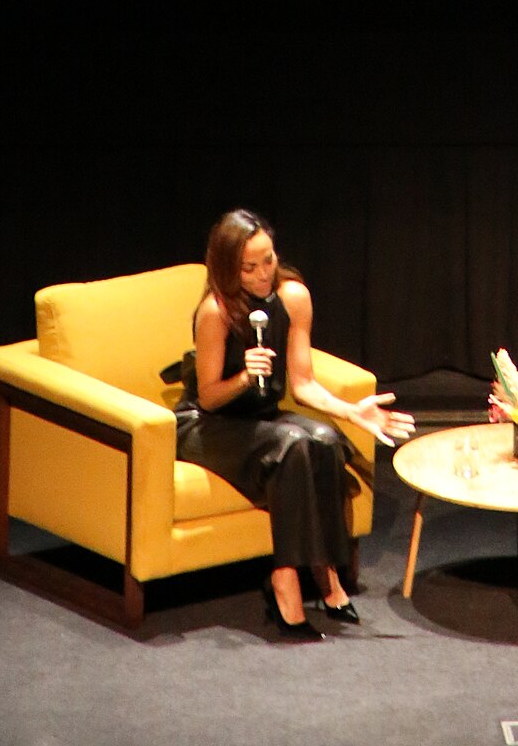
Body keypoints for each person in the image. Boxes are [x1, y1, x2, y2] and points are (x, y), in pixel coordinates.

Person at [172, 208, 415, 641]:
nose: (263, 273)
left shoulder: (294, 297)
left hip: (260, 419)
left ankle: (325, 575)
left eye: (268, 260)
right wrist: (245, 375)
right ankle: (290, 578)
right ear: (228, 267)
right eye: (250, 267)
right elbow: (208, 396)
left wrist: (349, 410)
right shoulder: (216, 311)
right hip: (207, 425)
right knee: (292, 445)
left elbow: (302, 383)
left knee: (321, 439)